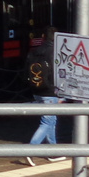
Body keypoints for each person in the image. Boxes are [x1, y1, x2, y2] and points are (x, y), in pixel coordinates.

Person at [23, 30, 65, 166]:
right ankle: (31, 150)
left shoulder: (34, 51)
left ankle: (53, 152)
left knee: (51, 120)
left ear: (42, 36)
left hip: (36, 89)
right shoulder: (55, 51)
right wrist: (61, 93)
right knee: (47, 122)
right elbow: (59, 73)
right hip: (49, 92)